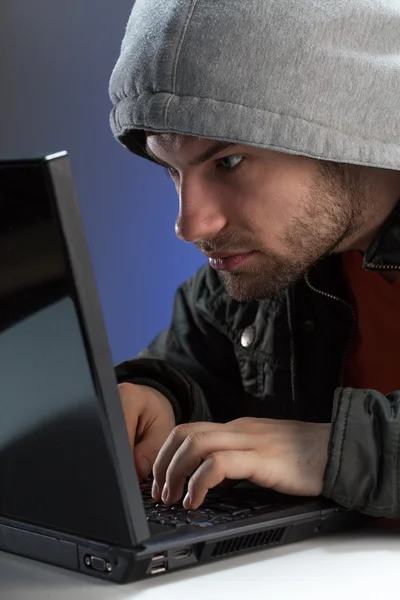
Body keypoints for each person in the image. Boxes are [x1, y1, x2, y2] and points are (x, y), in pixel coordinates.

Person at [108, 0, 400, 516]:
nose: (190, 225)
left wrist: (326, 451)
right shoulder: (274, 263)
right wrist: (158, 400)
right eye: (172, 171)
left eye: (230, 161)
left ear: (352, 128)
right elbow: (188, 367)